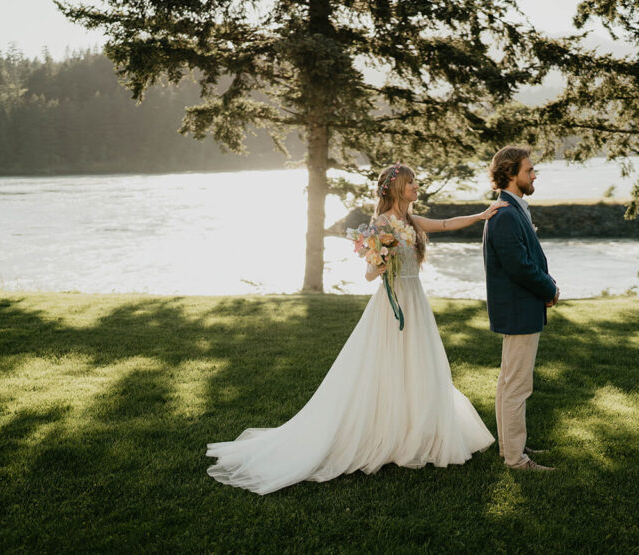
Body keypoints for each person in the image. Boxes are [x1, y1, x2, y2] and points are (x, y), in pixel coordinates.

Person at [206, 162, 507, 495]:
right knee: (388, 366)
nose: (416, 187)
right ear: (395, 188)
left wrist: (482, 215)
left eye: (415, 183)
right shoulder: (381, 224)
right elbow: (368, 274)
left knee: (419, 365)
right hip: (393, 305)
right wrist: (381, 259)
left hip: (415, 302)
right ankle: (386, 432)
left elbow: (448, 223)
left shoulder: (409, 221)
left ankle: (415, 430)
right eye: (411, 183)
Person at [482, 145, 559, 472]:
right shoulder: (506, 214)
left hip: (518, 308)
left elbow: (527, 260)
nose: (533, 175)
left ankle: (510, 447)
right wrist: (549, 288)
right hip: (519, 309)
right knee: (517, 386)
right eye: (528, 170)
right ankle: (516, 459)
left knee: (508, 383)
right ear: (511, 175)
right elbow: (520, 267)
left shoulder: (512, 209)